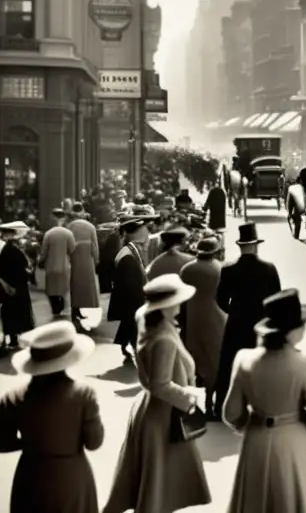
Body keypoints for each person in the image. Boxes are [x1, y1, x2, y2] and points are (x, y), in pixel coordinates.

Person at [103, 274, 212, 513]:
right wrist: (190, 398)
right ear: (167, 305)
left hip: (153, 410)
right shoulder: (164, 338)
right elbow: (160, 384)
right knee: (160, 488)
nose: (180, 305)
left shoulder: (151, 324)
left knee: (156, 484)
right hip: (164, 416)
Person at [223, 289, 306, 512]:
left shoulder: (244, 359)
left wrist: (254, 424)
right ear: (293, 331)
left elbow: (231, 413)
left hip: (257, 442)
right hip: (296, 447)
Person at [0, 320, 103, 513]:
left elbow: (2, 442)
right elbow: (94, 443)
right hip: (72, 479)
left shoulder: (13, 398)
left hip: (30, 477)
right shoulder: (84, 395)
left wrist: (31, 443)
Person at [215, 222, 282, 412]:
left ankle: (222, 404)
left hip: (236, 323)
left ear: (240, 246)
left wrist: (234, 311)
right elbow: (277, 297)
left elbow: (220, 299)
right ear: (255, 245)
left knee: (229, 364)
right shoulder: (269, 269)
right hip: (261, 324)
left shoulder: (228, 270)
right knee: (263, 365)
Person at [180, 236, 227, 417]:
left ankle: (193, 404)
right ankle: (210, 404)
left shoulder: (187, 269)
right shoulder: (220, 269)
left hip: (193, 319)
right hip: (216, 320)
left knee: (196, 361)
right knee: (214, 362)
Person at [108, 219, 149, 364]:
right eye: (145, 231)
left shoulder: (130, 250)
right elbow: (130, 282)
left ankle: (127, 346)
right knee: (131, 324)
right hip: (132, 298)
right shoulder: (128, 255)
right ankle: (131, 347)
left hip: (130, 297)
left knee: (129, 324)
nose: (148, 234)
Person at [0, 221, 35, 348]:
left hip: (9, 285)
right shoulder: (15, 250)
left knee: (9, 311)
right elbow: (26, 265)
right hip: (18, 284)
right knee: (19, 310)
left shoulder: (6, 250)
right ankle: (15, 337)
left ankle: (12, 337)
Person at [67, 206, 101, 332]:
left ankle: (75, 310)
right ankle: (81, 308)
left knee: (75, 285)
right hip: (87, 259)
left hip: (75, 258)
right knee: (87, 285)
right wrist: (96, 258)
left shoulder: (70, 226)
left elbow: (68, 243)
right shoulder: (90, 227)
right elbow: (94, 245)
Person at [38, 207, 76, 319]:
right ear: (63, 219)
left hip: (51, 267)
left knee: (51, 291)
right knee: (62, 290)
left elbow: (44, 252)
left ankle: (56, 311)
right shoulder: (68, 233)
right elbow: (72, 249)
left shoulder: (48, 234)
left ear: (53, 218)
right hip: (64, 266)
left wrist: (40, 262)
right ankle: (61, 309)